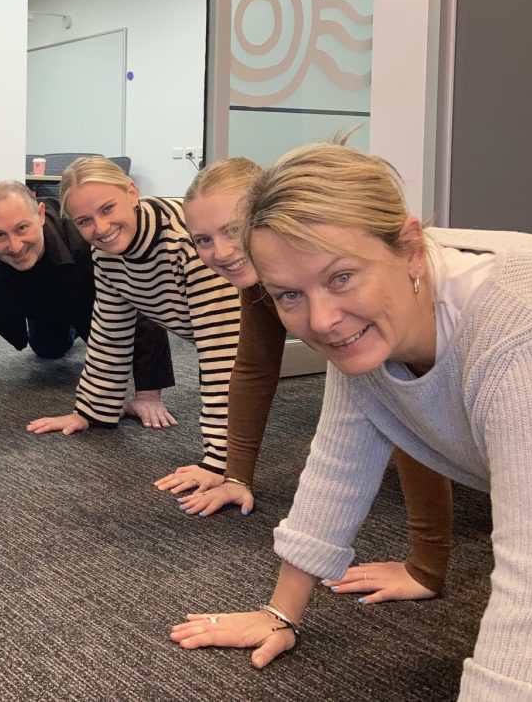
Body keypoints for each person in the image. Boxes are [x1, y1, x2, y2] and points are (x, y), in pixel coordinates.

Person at [170, 143, 532, 699]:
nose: (321, 320)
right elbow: (338, 464)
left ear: (412, 249)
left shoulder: (520, 336)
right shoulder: (374, 325)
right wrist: (280, 612)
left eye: (342, 276)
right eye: (290, 294)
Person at [172, 157, 452, 604]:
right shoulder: (263, 283)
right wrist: (235, 475)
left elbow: (410, 419)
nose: (222, 252)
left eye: (232, 230)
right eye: (203, 239)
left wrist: (426, 566)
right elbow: (254, 369)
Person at [27, 157, 242, 485]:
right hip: (216, 331)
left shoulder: (187, 241)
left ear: (131, 191)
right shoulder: (106, 253)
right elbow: (110, 331)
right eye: (84, 221)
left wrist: (221, 462)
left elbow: (222, 356)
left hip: (258, 321)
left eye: (108, 209)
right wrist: (90, 411)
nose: (100, 228)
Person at [0, 180, 178, 428]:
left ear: (40, 214)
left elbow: (138, 304)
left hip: (82, 298)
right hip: (19, 299)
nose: (16, 246)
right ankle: (59, 331)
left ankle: (77, 329)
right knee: (47, 349)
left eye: (22, 228)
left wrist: (148, 395)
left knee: (97, 341)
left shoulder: (82, 239)